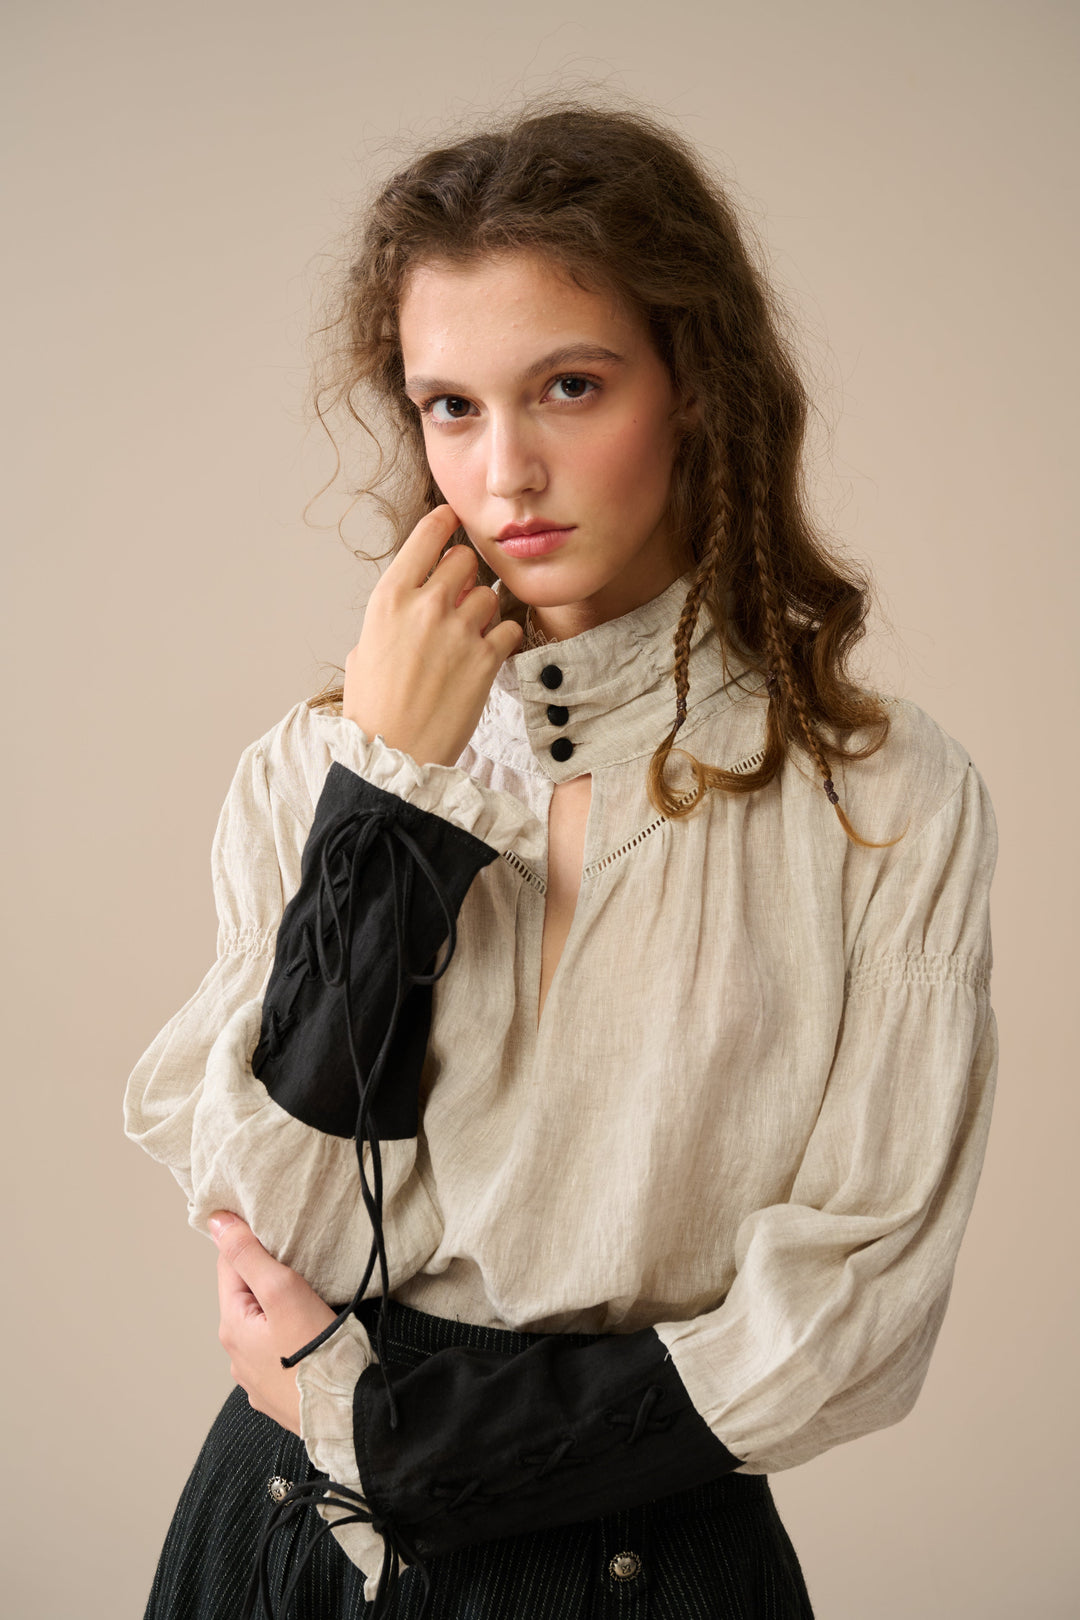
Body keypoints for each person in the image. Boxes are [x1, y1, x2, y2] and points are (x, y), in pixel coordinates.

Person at [124, 94, 999, 1620]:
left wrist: (393, 1437)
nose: (506, 471)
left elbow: (848, 1322)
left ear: (696, 386)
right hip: (283, 1554)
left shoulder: (881, 794)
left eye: (571, 387)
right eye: (451, 406)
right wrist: (390, 802)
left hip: (643, 1564)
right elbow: (292, 1230)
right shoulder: (318, 768)